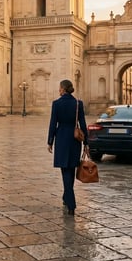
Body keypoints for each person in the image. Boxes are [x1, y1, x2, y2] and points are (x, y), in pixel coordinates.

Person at [47, 79, 88, 215]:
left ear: (63, 89)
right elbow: (83, 123)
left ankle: (71, 204)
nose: (59, 90)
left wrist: (50, 141)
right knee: (70, 168)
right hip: (75, 139)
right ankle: (66, 196)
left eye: (59, 88)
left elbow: (53, 123)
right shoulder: (78, 103)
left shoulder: (56, 104)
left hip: (62, 139)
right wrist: (86, 142)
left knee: (65, 170)